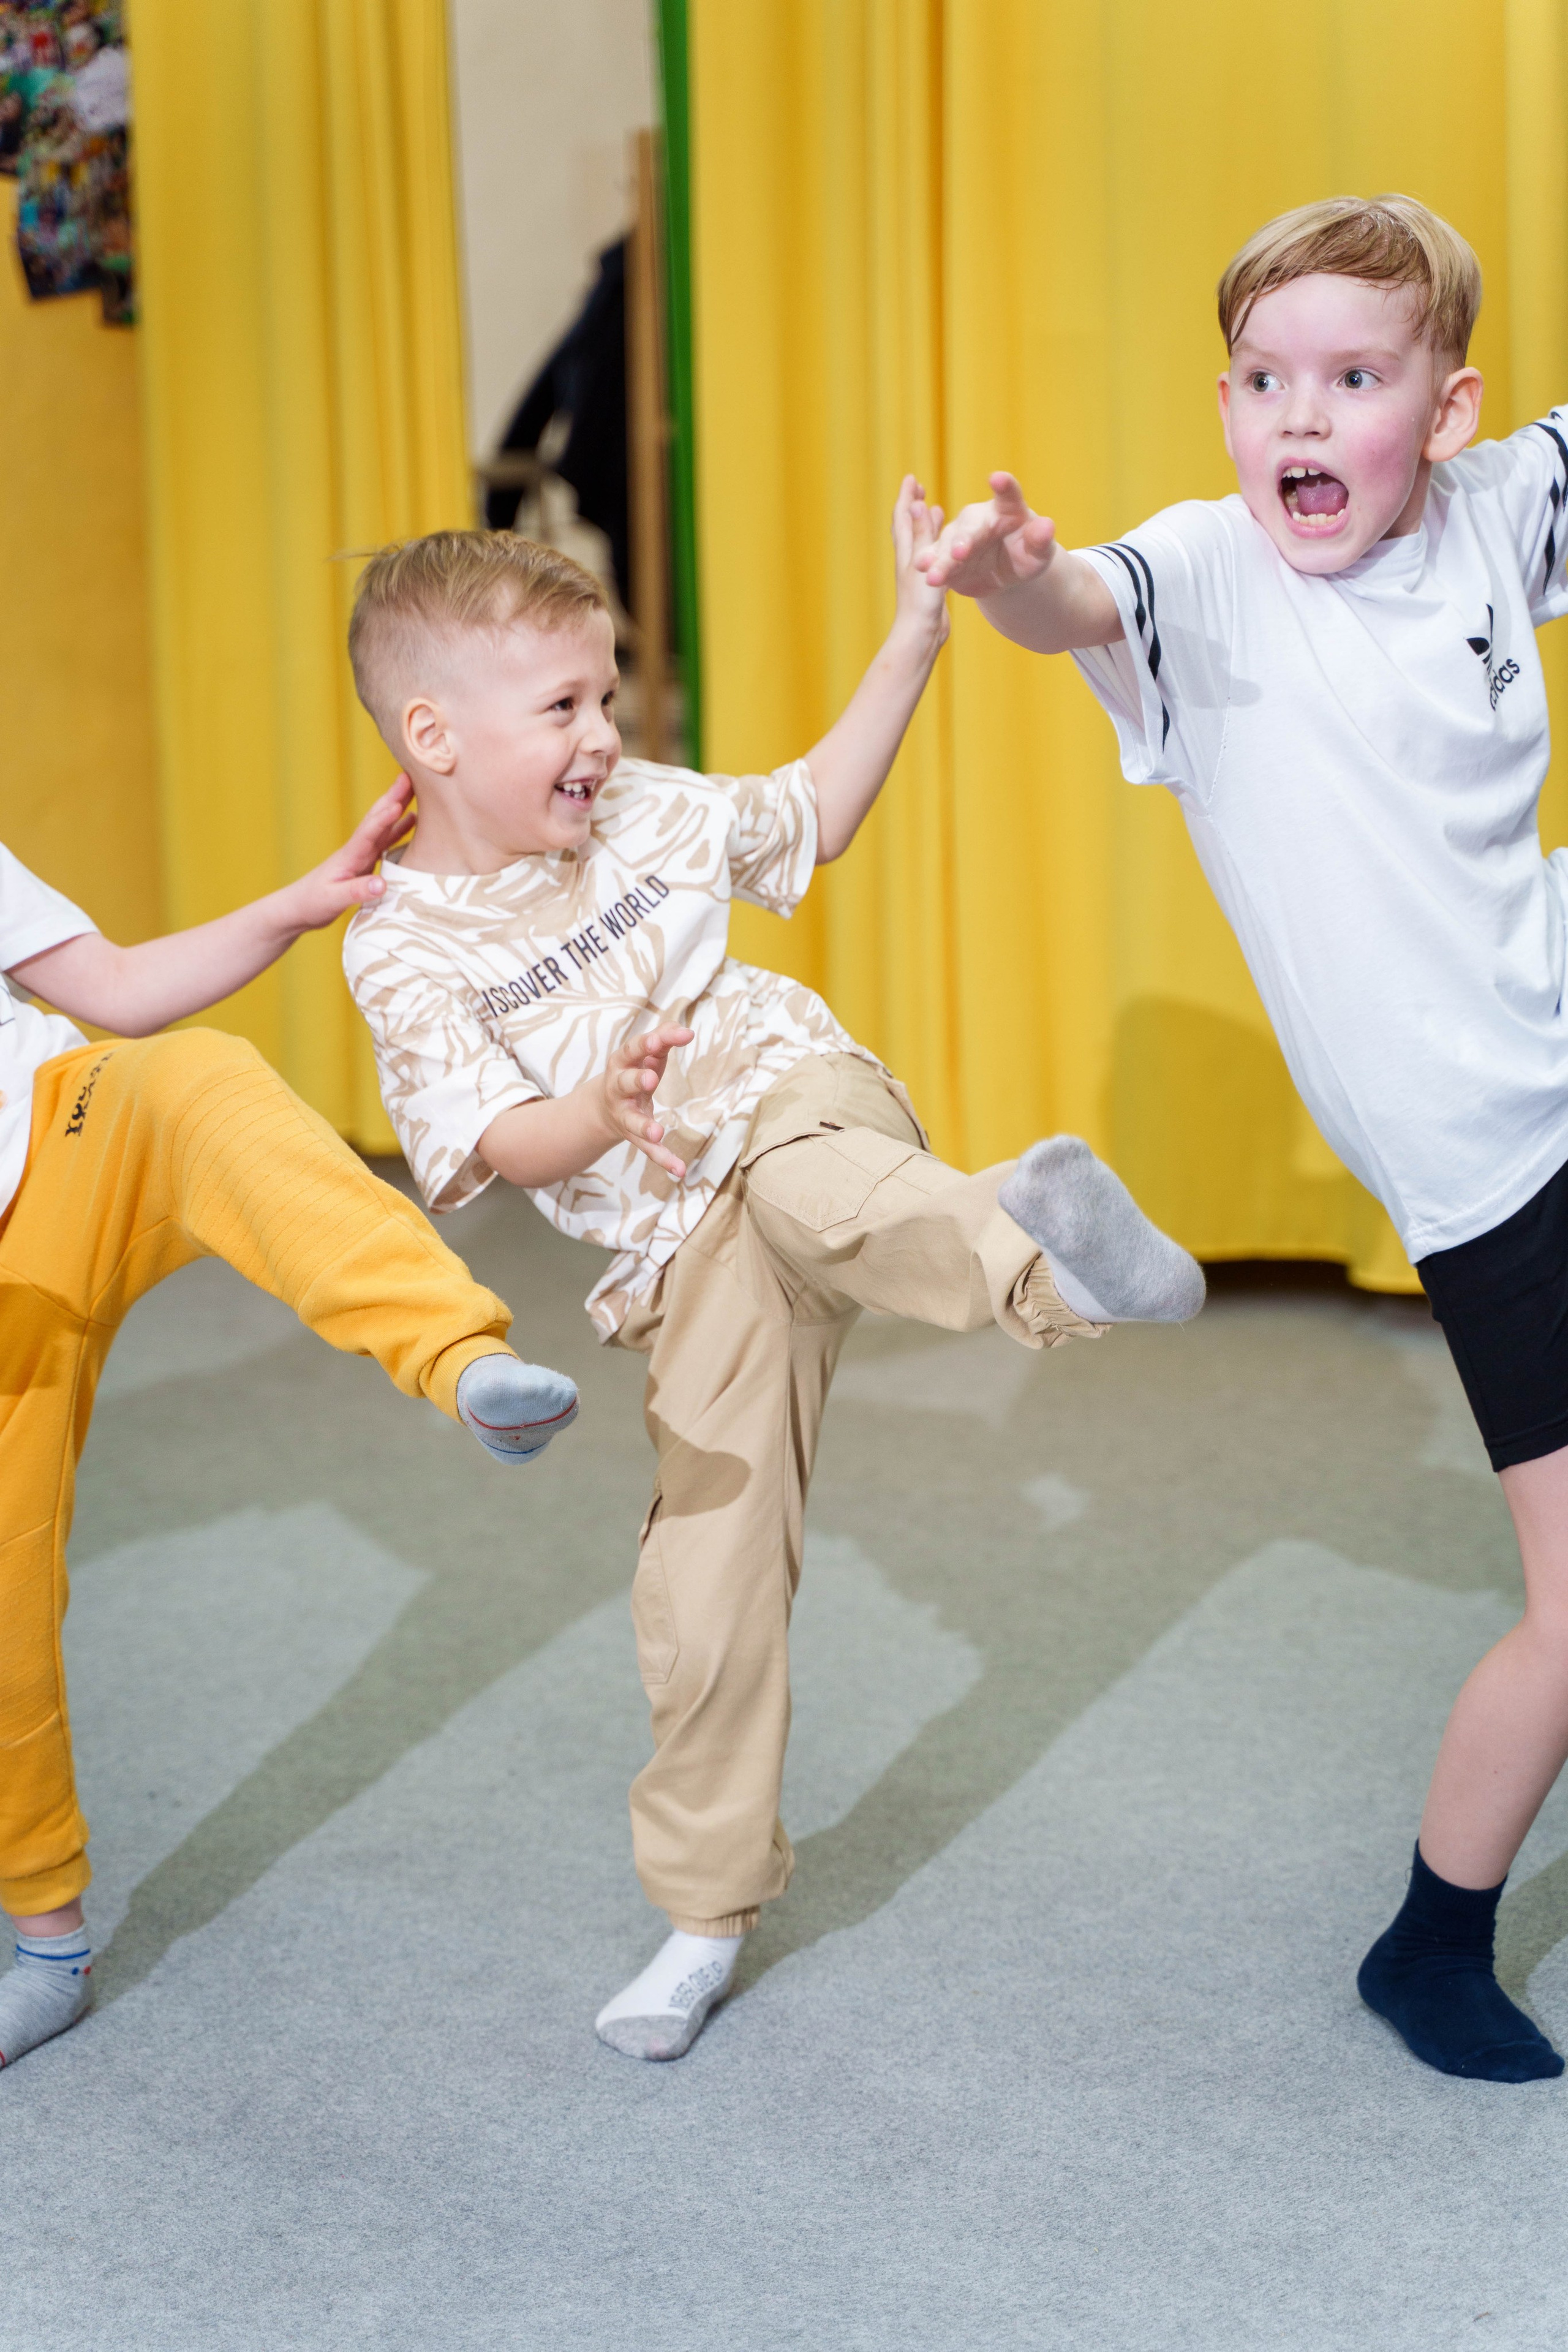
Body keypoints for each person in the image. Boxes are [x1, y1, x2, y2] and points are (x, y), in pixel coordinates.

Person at [340, 487, 1204, 2062]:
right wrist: (597, 1111)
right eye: (562, 706)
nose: (602, 731)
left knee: (816, 1181)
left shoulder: (653, 814)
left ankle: (1045, 1258)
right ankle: (701, 1915)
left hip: (794, 1104)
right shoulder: (402, 942)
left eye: (607, 692)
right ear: (435, 737)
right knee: (705, 1574)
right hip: (675, 1254)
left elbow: (812, 811)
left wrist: (917, 629)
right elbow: (490, 1141)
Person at [918, 191, 1568, 2086]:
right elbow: (1074, 606)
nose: (1305, 416)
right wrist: (1002, 576)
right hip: (1486, 1155)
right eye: (1269, 381)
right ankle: (1431, 1942)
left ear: (1440, 414)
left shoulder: (1494, 509)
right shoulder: (1205, 576)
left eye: (1354, 380)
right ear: (1223, 408)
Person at [0, 780, 580, 2073]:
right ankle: (48, 1944)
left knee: (198, 1076)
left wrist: (299, 905)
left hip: (67, 1134)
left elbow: (116, 987)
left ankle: (457, 1357)